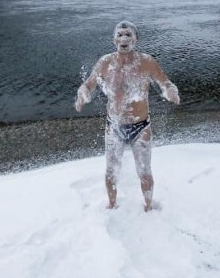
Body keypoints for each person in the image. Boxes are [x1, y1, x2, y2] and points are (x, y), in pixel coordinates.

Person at [75, 21, 180, 211]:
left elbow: (165, 83)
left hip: (141, 127)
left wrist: (171, 92)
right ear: (113, 39)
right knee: (110, 172)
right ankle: (111, 205)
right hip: (114, 126)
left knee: (144, 172)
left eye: (128, 35)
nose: (124, 39)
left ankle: (149, 206)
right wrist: (82, 94)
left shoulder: (147, 62)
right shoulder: (105, 63)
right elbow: (89, 84)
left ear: (136, 39)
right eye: (120, 35)